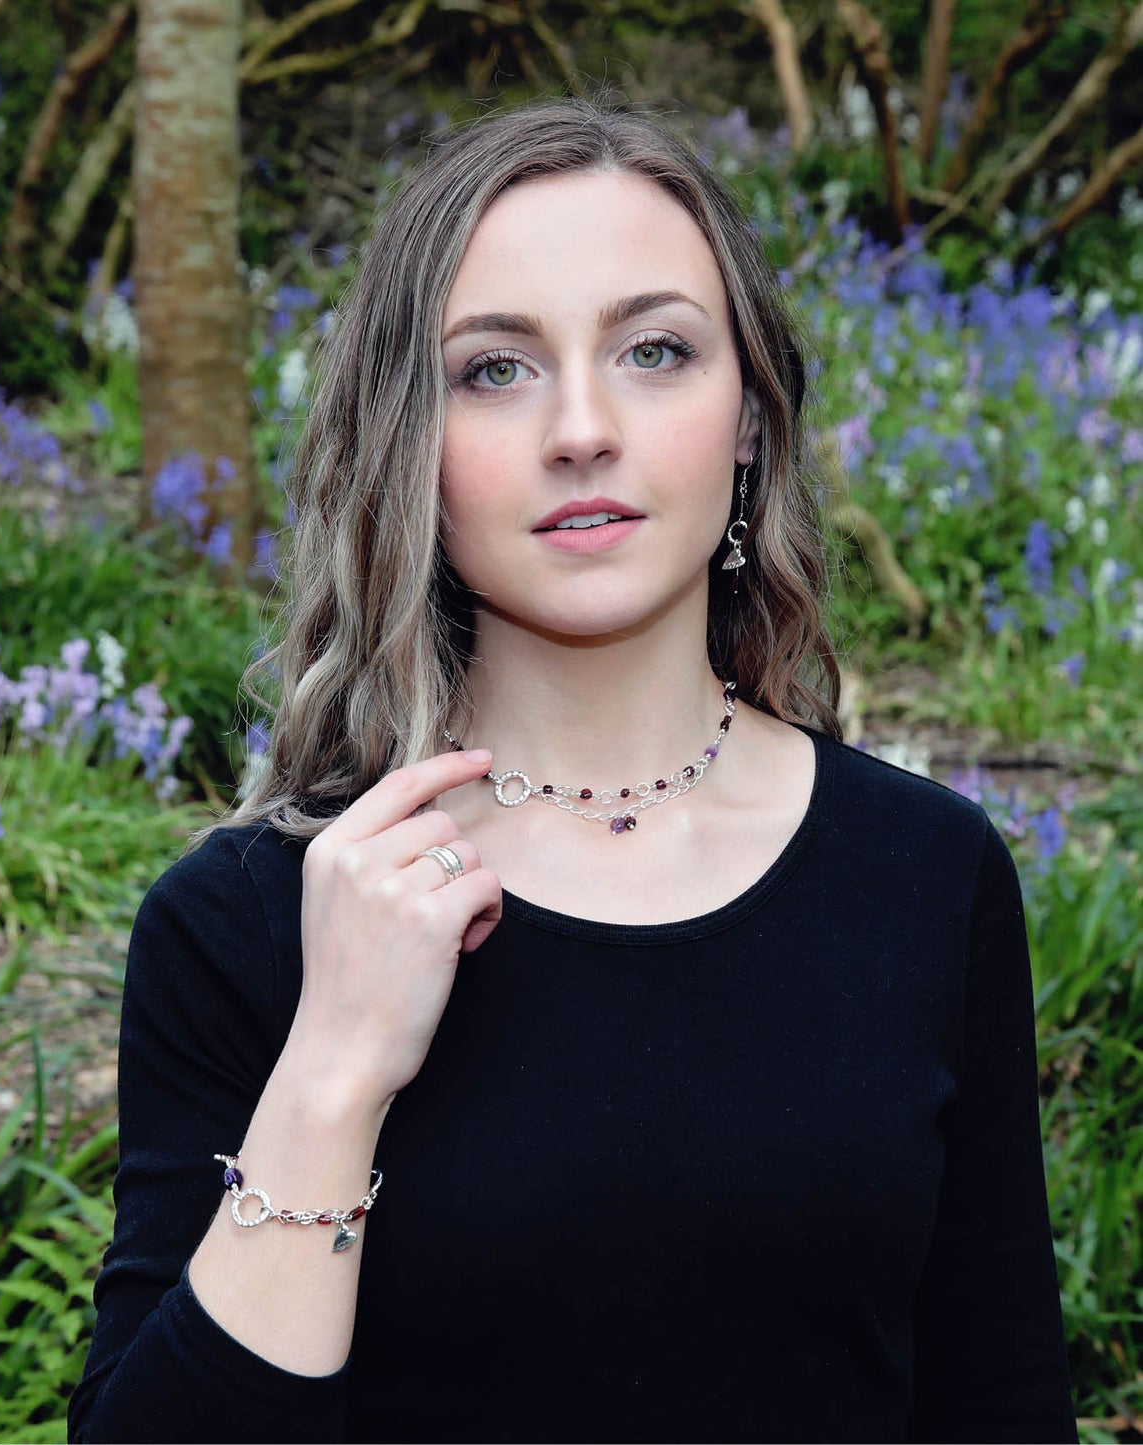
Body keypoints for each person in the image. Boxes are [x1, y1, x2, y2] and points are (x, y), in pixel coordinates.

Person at [68, 94, 1076, 1443]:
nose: (580, 427)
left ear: (749, 421)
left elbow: (996, 1404)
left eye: (654, 350)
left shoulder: (923, 876)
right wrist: (336, 1068)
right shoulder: (249, 919)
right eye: (495, 368)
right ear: (405, 445)